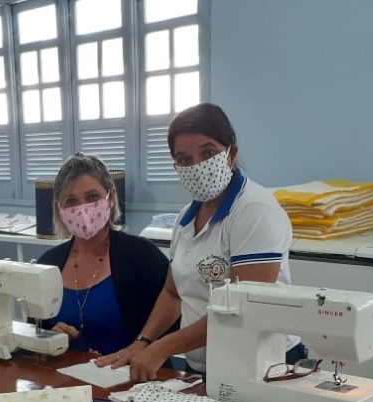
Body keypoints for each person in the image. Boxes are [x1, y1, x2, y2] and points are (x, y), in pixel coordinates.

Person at [97, 103, 306, 380]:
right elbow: (173, 294)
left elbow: (242, 309)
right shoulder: (186, 218)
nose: (196, 166)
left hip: (261, 366)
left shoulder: (255, 211)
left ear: (232, 153)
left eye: (208, 153)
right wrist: (143, 342)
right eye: (184, 159)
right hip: (204, 365)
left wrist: (162, 348)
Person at [38, 153, 170, 355]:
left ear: (111, 197)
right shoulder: (48, 264)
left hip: (129, 378)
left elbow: (173, 322)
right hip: (66, 380)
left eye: (92, 197)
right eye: (71, 201)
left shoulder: (143, 258)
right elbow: (36, 332)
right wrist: (50, 338)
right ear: (59, 209)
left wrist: (142, 346)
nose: (82, 209)